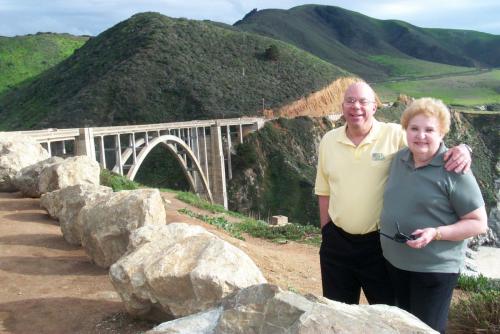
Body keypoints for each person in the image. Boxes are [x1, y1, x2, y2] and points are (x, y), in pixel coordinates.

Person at [314, 81, 472, 305]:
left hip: (379, 245)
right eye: (350, 101)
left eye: (363, 102)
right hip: (336, 243)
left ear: (374, 108)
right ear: (342, 107)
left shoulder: (394, 135)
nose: (356, 107)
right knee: (336, 310)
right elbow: (324, 190)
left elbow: (427, 144)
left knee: (388, 314)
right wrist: (327, 231)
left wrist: (465, 149)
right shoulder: (328, 140)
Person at [380, 97, 487, 333]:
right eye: (414, 128)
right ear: (405, 130)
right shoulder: (400, 159)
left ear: (442, 134)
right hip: (395, 264)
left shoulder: (455, 169)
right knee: (399, 327)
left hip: (433, 270)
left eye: (429, 130)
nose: (421, 136)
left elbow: (479, 223)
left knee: (425, 330)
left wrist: (436, 233)